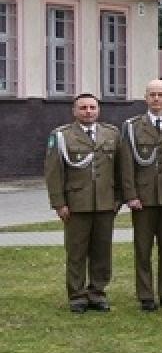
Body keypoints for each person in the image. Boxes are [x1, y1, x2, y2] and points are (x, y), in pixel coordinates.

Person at [45, 92, 121, 312]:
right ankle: (77, 295)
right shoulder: (61, 136)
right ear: (74, 111)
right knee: (76, 252)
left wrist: (117, 199)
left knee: (102, 251)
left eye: (92, 108)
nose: (88, 112)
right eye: (83, 108)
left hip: (105, 204)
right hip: (76, 204)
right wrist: (59, 204)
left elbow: (119, 168)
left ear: (98, 110)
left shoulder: (111, 134)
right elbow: (53, 173)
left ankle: (98, 293)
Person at [118, 79, 162, 311]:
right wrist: (131, 195)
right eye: (152, 95)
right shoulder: (132, 127)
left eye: (161, 95)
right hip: (143, 199)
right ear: (146, 98)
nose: (156, 99)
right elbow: (126, 164)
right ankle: (146, 295)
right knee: (143, 249)